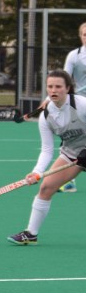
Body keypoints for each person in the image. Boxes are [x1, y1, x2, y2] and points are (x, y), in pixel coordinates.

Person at [7, 70, 86, 245]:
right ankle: (31, 234)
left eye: (58, 86)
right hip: (72, 154)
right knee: (46, 187)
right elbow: (47, 150)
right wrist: (36, 171)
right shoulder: (46, 115)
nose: (53, 90)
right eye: (50, 86)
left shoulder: (82, 105)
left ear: (68, 88)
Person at [58, 22, 86, 192]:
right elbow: (64, 80)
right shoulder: (74, 56)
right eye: (84, 34)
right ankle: (69, 182)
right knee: (72, 141)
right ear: (80, 36)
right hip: (80, 104)